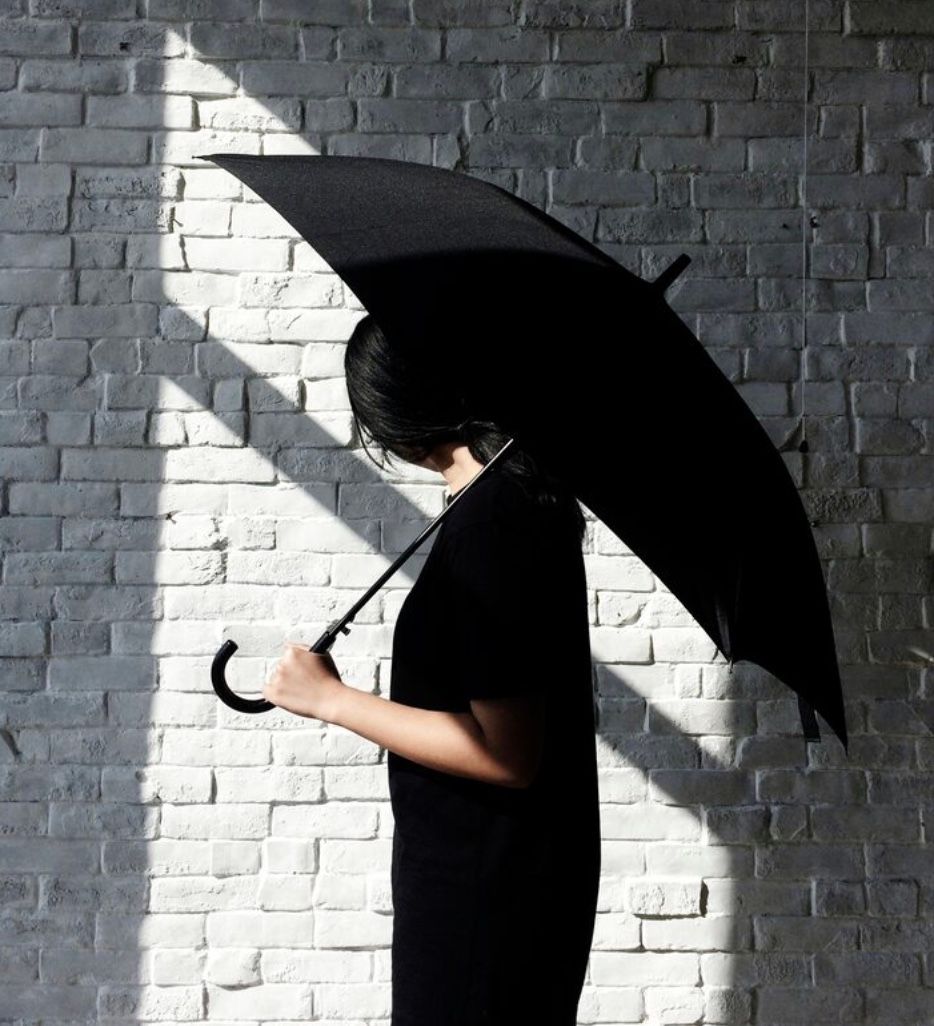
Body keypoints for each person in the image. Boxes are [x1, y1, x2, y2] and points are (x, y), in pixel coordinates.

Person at [263, 314, 601, 1026]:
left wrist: (331, 700)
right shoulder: (510, 502)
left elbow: (507, 753)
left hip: (484, 893)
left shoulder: (492, 524)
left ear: (394, 416)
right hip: (506, 881)